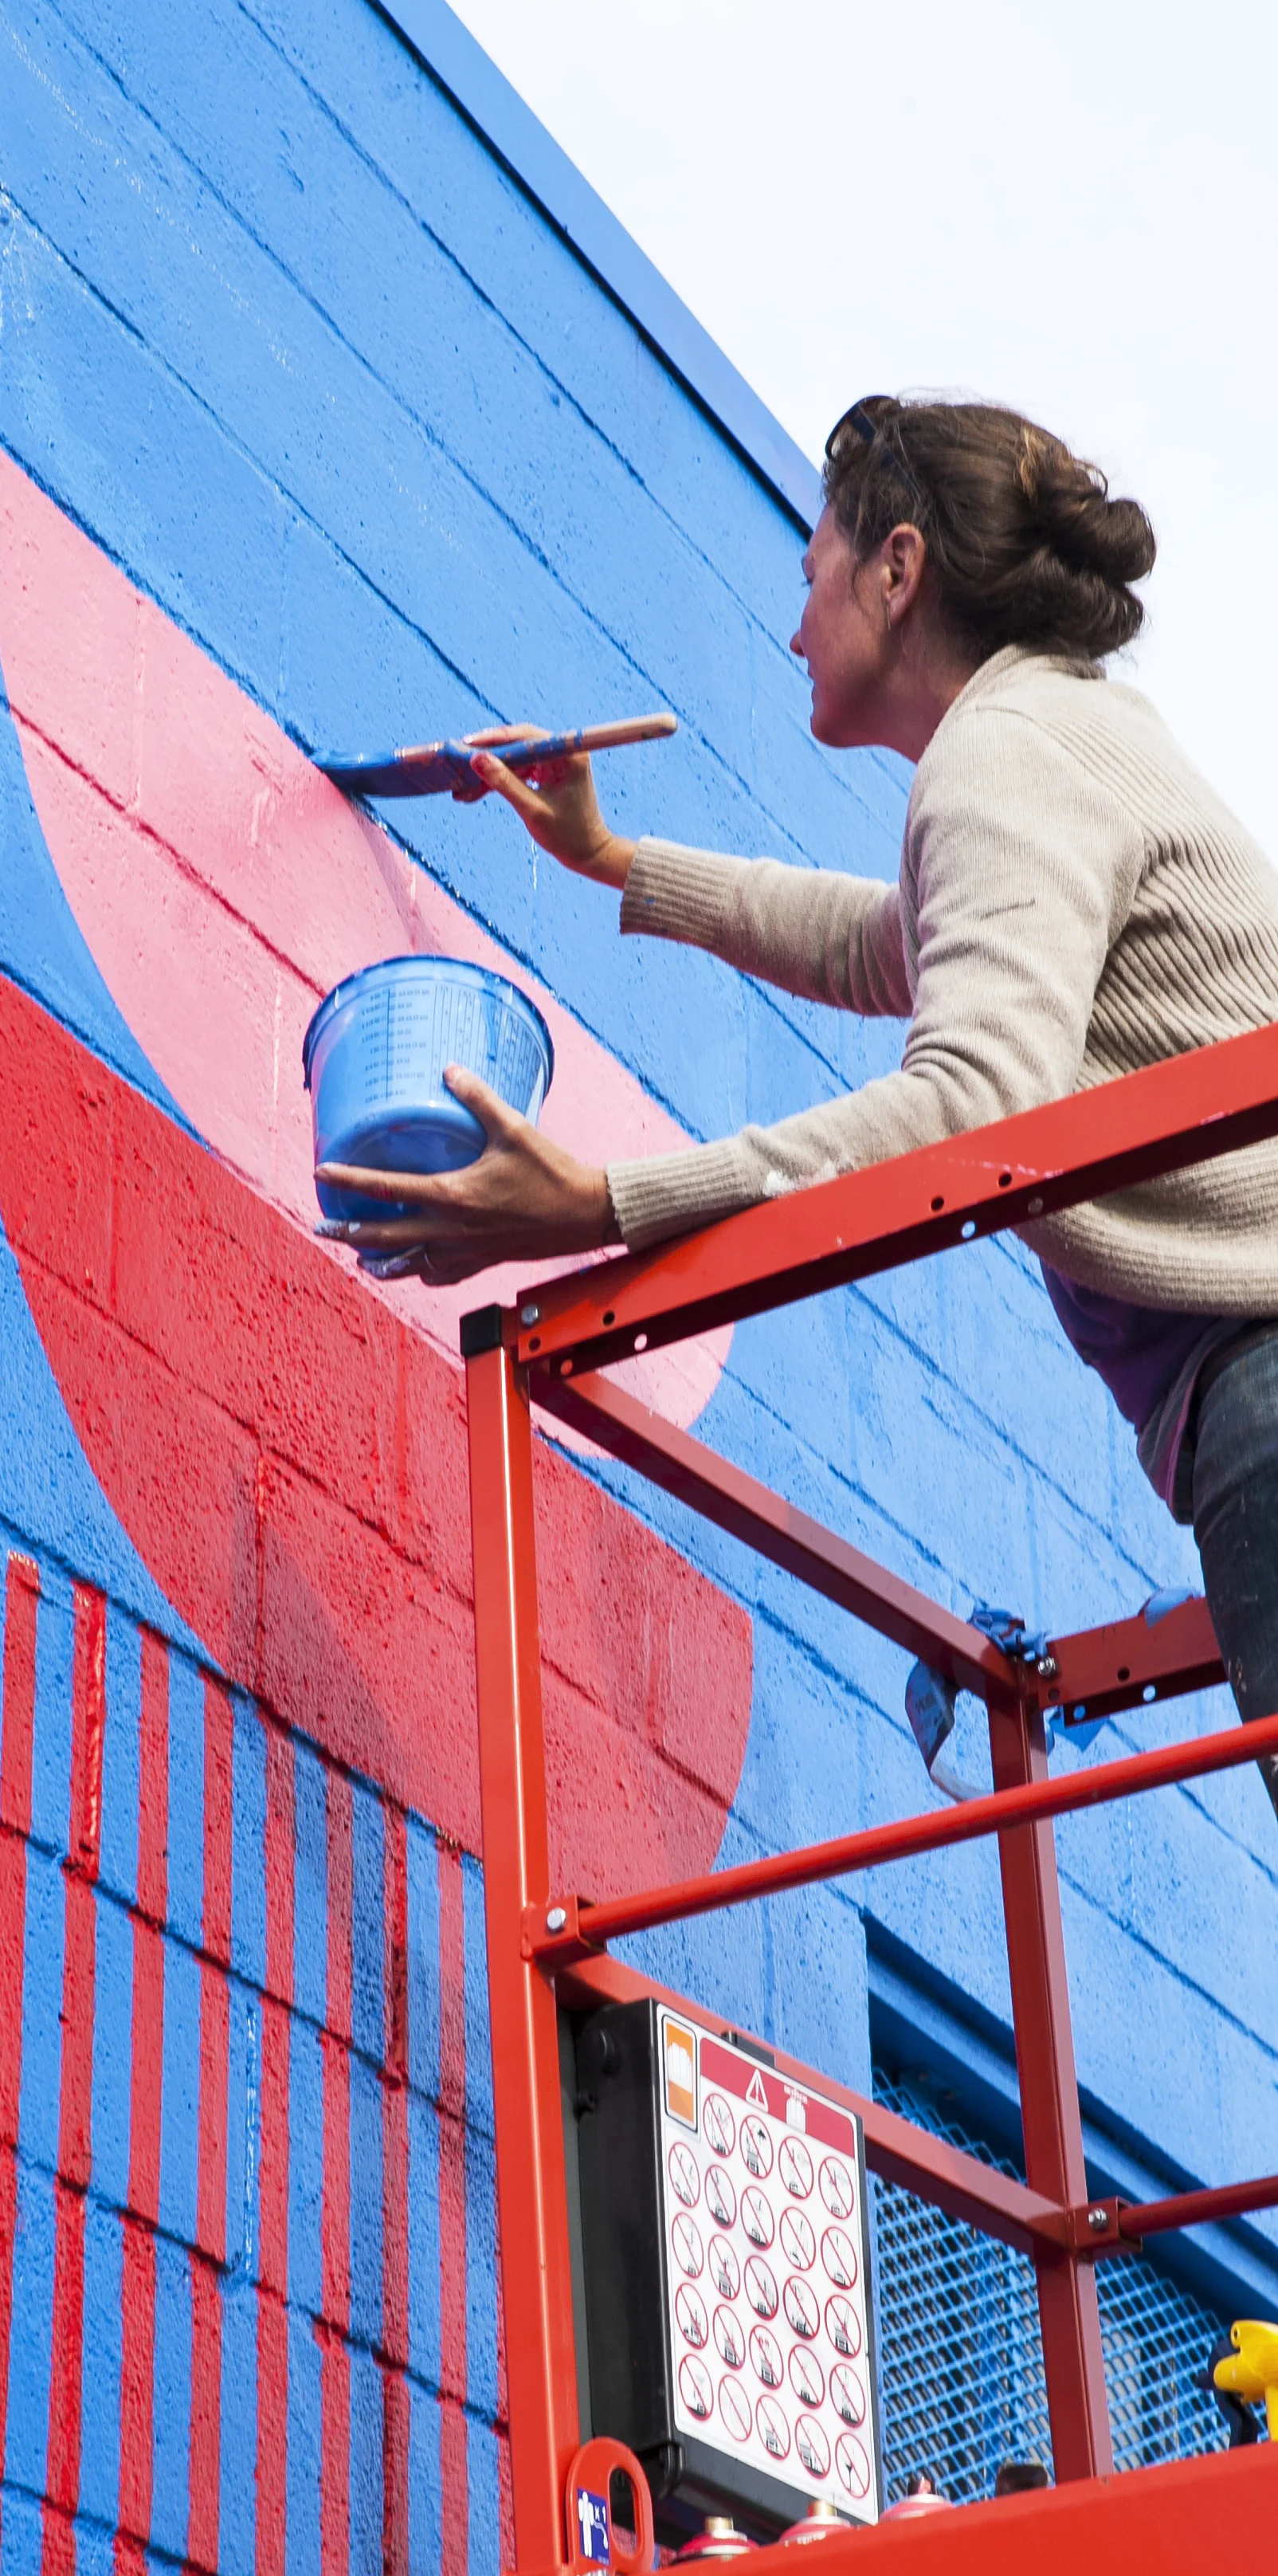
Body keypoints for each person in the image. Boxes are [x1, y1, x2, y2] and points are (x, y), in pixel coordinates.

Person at [317, 395, 1278, 1808]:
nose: (793, 626)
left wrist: (603, 1202)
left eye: (812, 569)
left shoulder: (1008, 754)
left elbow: (972, 1110)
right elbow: (885, 940)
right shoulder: (1055, 738)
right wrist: (613, 857)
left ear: (898, 569)